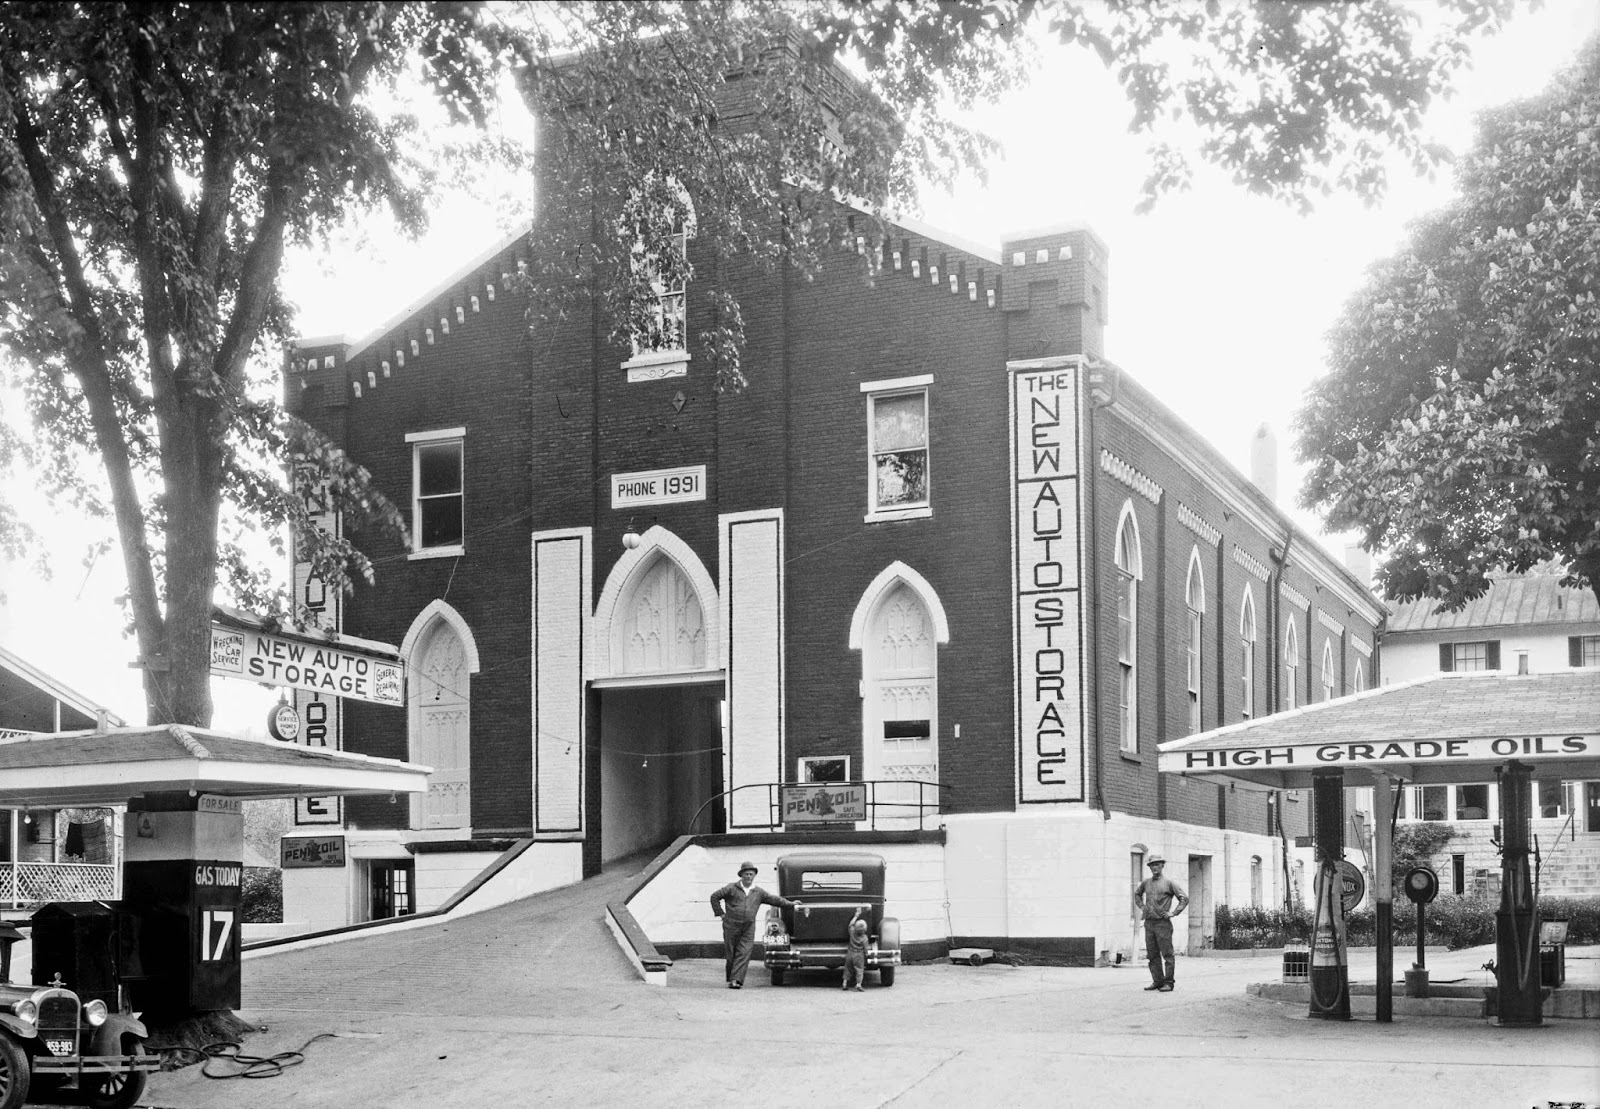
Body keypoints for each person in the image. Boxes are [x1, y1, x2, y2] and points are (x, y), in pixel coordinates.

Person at [709, 861, 794, 989]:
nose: (749, 877)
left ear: (754, 876)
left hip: (748, 927)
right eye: (746, 874)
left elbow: (774, 899)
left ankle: (736, 980)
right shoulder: (731, 888)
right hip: (731, 925)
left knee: (744, 952)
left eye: (751, 874)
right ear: (741, 875)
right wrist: (721, 914)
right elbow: (714, 896)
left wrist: (791, 904)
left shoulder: (758, 892)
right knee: (731, 953)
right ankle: (731, 977)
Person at [1134, 853, 1189, 992]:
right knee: (1152, 954)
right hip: (1149, 923)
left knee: (1167, 954)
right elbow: (1137, 894)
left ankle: (1169, 983)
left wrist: (1173, 912)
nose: (1154, 867)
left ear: (1162, 865)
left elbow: (1184, 898)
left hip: (1163, 924)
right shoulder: (1146, 883)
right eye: (1152, 865)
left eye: (1157, 864)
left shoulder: (1169, 883)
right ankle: (1157, 981)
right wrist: (1142, 907)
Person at [842, 906, 869, 992]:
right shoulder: (864, 938)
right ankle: (858, 984)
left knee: (848, 969)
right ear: (865, 930)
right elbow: (865, 948)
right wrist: (867, 954)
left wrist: (856, 915)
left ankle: (844, 983)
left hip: (850, 953)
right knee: (859, 970)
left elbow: (850, 924)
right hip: (859, 955)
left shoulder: (852, 932)